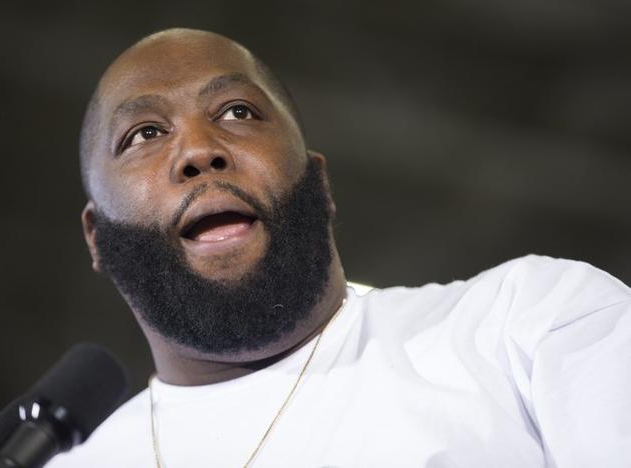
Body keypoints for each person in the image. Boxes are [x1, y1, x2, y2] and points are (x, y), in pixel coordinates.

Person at [47, 28, 631, 468]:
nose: (200, 150)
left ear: (319, 183)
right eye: (144, 134)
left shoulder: (526, 322)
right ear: (98, 237)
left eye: (237, 112)